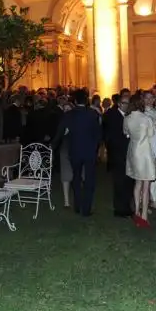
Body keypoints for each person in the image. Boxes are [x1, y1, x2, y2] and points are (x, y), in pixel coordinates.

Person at [58, 89, 102, 217]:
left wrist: (53, 144)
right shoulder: (92, 114)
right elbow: (98, 134)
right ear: (87, 100)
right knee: (89, 180)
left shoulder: (69, 115)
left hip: (75, 151)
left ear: (75, 101)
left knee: (76, 178)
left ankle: (77, 205)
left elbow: (60, 131)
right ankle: (86, 208)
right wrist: (95, 147)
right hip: (89, 152)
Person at [124, 94, 156, 229]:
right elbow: (152, 137)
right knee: (145, 185)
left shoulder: (127, 118)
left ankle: (137, 212)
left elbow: (126, 133)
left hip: (133, 151)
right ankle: (144, 216)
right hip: (145, 153)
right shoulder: (146, 118)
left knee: (137, 183)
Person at [103, 95, 132, 217]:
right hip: (118, 154)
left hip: (129, 153)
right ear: (119, 104)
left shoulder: (129, 116)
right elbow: (109, 135)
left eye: (128, 103)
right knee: (119, 182)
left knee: (129, 181)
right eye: (124, 103)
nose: (126, 106)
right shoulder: (112, 115)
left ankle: (127, 206)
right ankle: (119, 209)